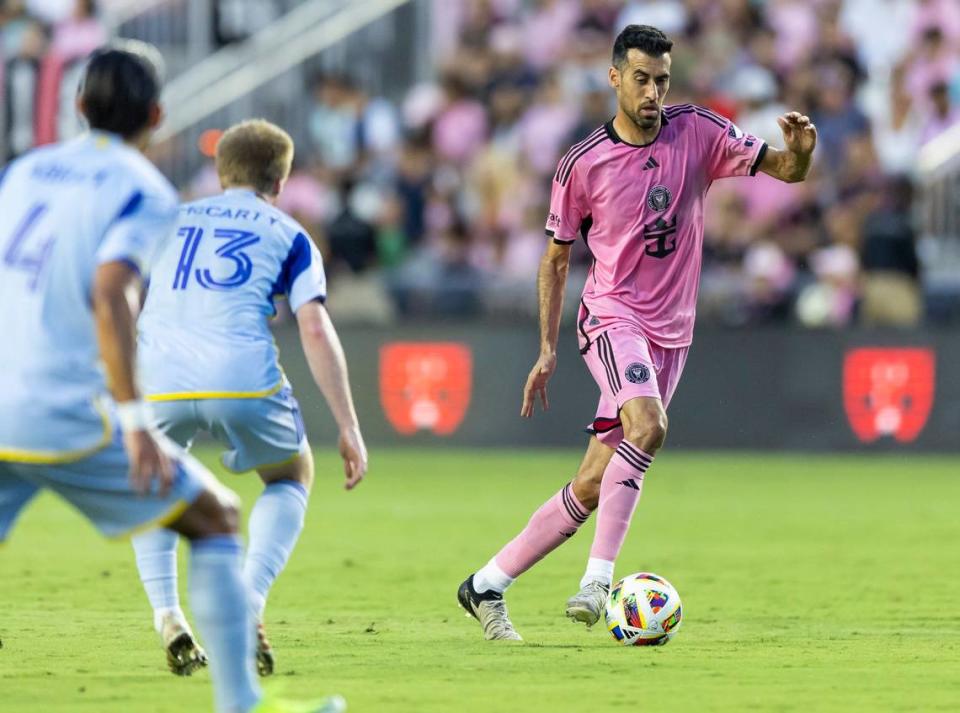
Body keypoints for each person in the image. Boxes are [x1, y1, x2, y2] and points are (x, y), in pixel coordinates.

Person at [0, 44, 345, 713]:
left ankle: (173, 618)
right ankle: (242, 702)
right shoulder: (141, 187)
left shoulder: (23, 171)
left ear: (77, 106)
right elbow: (110, 295)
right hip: (60, 404)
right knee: (214, 516)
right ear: (158, 115)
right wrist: (133, 422)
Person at [458, 24, 817, 640]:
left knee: (595, 481)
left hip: (672, 333)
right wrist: (547, 348)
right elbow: (556, 258)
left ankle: (486, 584)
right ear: (615, 78)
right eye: (643, 79)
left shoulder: (698, 132)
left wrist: (803, 149)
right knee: (648, 427)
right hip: (611, 316)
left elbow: (786, 171)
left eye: (663, 81)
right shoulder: (583, 163)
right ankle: (599, 582)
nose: (653, 92)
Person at [131, 118, 368, 678]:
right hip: (241, 375)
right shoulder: (290, 234)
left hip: (158, 373)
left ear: (219, 172)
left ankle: (169, 616)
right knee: (290, 476)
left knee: (156, 488)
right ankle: (250, 599)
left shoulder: (168, 220)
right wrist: (348, 424)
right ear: (281, 182)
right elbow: (313, 328)